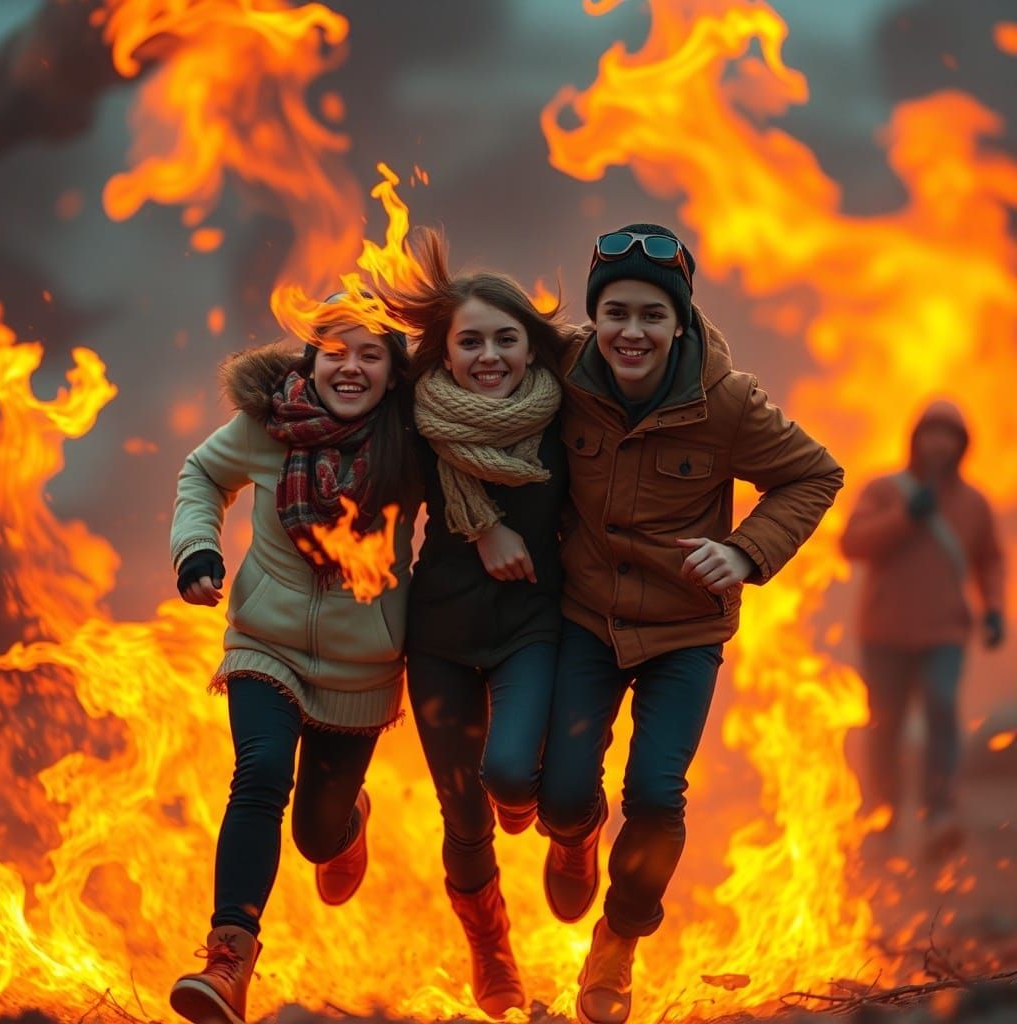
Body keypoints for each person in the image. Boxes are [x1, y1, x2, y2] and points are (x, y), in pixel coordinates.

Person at [537, 224, 844, 1024]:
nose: (631, 333)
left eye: (650, 316)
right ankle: (571, 836)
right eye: (615, 314)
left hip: (683, 634)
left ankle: (618, 945)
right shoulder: (562, 367)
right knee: (565, 792)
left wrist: (744, 553)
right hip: (586, 615)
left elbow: (814, 474)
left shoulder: (729, 402)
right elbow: (475, 347)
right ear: (593, 317)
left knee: (655, 794)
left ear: (680, 323)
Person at [167, 301, 421, 1024]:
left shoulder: (412, 439)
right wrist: (197, 549)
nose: (351, 366)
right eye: (335, 351)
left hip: (363, 667)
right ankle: (227, 963)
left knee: (315, 833)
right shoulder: (267, 427)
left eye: (370, 354)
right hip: (265, 644)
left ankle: (347, 822)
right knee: (260, 774)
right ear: (309, 362)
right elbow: (201, 475)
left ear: (393, 371)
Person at [377, 229, 569, 1018]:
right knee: (461, 814)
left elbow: (648, 357)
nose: (488, 355)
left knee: (511, 778)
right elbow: (326, 388)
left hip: (532, 623)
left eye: (505, 338)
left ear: (531, 347)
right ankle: (491, 949)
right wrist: (483, 526)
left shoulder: (568, 415)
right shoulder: (416, 419)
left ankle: (571, 828)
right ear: (444, 354)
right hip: (441, 637)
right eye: (470, 342)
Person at [840, 399, 1005, 855]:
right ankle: (884, 814)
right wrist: (905, 517)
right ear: (915, 439)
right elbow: (851, 544)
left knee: (940, 704)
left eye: (949, 435)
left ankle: (939, 813)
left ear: (962, 445)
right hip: (884, 632)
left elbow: (989, 560)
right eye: (931, 433)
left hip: (944, 633)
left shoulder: (973, 502)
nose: (939, 443)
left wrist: (993, 608)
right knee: (885, 724)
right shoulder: (884, 490)